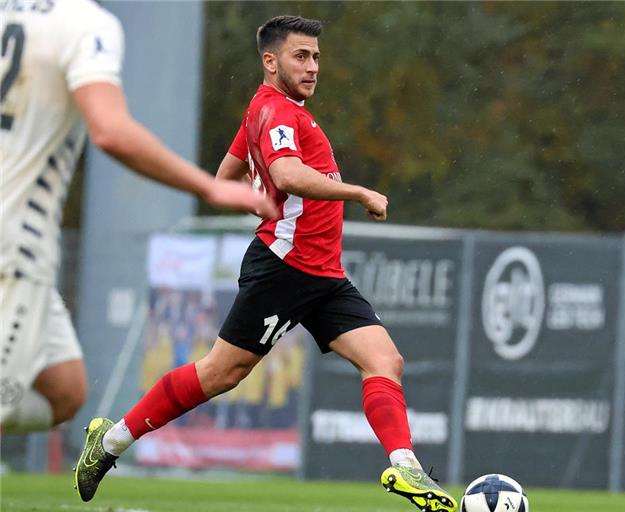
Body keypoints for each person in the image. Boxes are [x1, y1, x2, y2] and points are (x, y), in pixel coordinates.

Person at [74, 14, 458, 512]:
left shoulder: (268, 109)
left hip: (322, 273)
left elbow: (227, 173)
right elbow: (287, 172)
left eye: (317, 56)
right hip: (285, 267)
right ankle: (109, 443)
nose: (313, 66)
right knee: (219, 374)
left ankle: (406, 467)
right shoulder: (278, 112)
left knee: (385, 360)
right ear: (270, 60)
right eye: (302, 56)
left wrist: (256, 192)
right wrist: (355, 190)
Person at [0, 0, 277, 434]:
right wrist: (208, 186)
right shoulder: (85, 24)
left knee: (65, 388)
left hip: (19, 243)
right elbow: (110, 130)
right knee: (5, 404)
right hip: (13, 243)